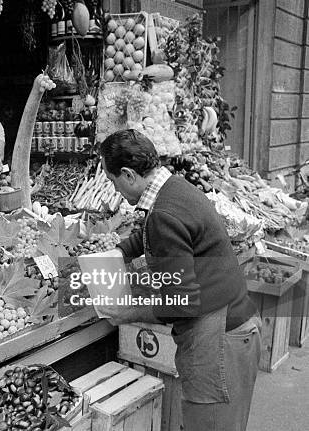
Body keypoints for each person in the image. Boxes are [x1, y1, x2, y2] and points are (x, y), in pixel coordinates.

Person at [98, 130, 261, 431]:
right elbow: (158, 229)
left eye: (112, 182)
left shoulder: (163, 212)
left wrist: (127, 312)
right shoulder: (174, 187)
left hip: (216, 344)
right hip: (236, 328)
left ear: (128, 174)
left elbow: (181, 302)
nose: (115, 190)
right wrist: (120, 250)